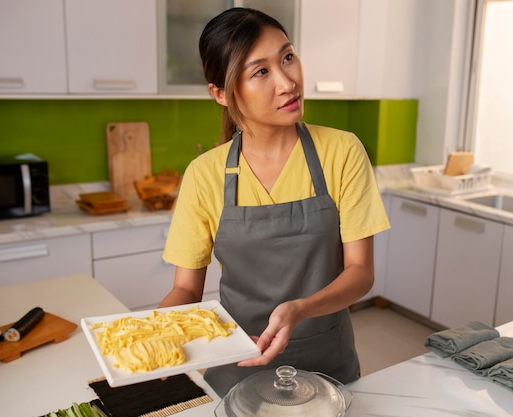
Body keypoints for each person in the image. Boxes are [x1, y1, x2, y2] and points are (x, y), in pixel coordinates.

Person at [159, 7, 390, 397]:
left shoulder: (342, 151)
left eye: (287, 57)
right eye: (261, 71)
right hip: (238, 367)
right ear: (220, 93)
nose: (287, 82)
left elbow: (360, 272)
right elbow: (186, 289)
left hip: (328, 370)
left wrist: (299, 308)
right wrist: (157, 331)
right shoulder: (204, 174)